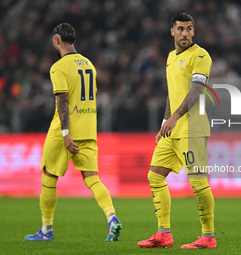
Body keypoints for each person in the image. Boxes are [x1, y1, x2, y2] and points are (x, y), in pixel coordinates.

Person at [24, 23, 122, 241]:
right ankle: (112, 218)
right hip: (88, 130)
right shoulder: (89, 65)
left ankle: (46, 231)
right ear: (74, 41)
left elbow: (63, 99)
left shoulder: (58, 67)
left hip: (64, 131)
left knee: (49, 176)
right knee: (92, 178)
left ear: (57, 40)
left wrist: (65, 132)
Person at [137, 13, 216, 249]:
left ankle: (208, 237)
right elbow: (173, 92)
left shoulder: (200, 56)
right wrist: (164, 122)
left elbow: (196, 91)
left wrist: (174, 118)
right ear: (172, 31)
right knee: (155, 176)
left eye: (189, 29)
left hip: (193, 129)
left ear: (194, 31)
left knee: (199, 183)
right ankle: (163, 234)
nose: (185, 33)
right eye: (180, 29)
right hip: (172, 130)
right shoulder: (171, 57)